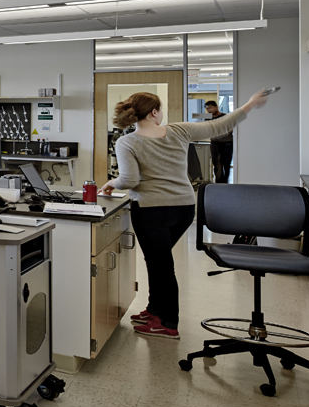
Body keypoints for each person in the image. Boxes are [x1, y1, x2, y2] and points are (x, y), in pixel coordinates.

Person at [100, 90, 267, 340]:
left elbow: (130, 179)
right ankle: (155, 311)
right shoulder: (179, 130)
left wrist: (112, 182)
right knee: (158, 262)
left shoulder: (128, 141)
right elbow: (220, 124)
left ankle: (168, 323)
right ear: (154, 112)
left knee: (161, 265)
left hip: (151, 210)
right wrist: (250, 105)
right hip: (184, 208)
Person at [205, 100, 233, 183]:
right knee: (216, 164)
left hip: (226, 142)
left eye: (210, 108)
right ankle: (218, 182)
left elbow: (231, 129)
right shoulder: (208, 118)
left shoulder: (225, 117)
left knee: (226, 163)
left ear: (216, 107)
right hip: (215, 142)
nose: (209, 110)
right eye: (207, 109)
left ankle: (226, 181)